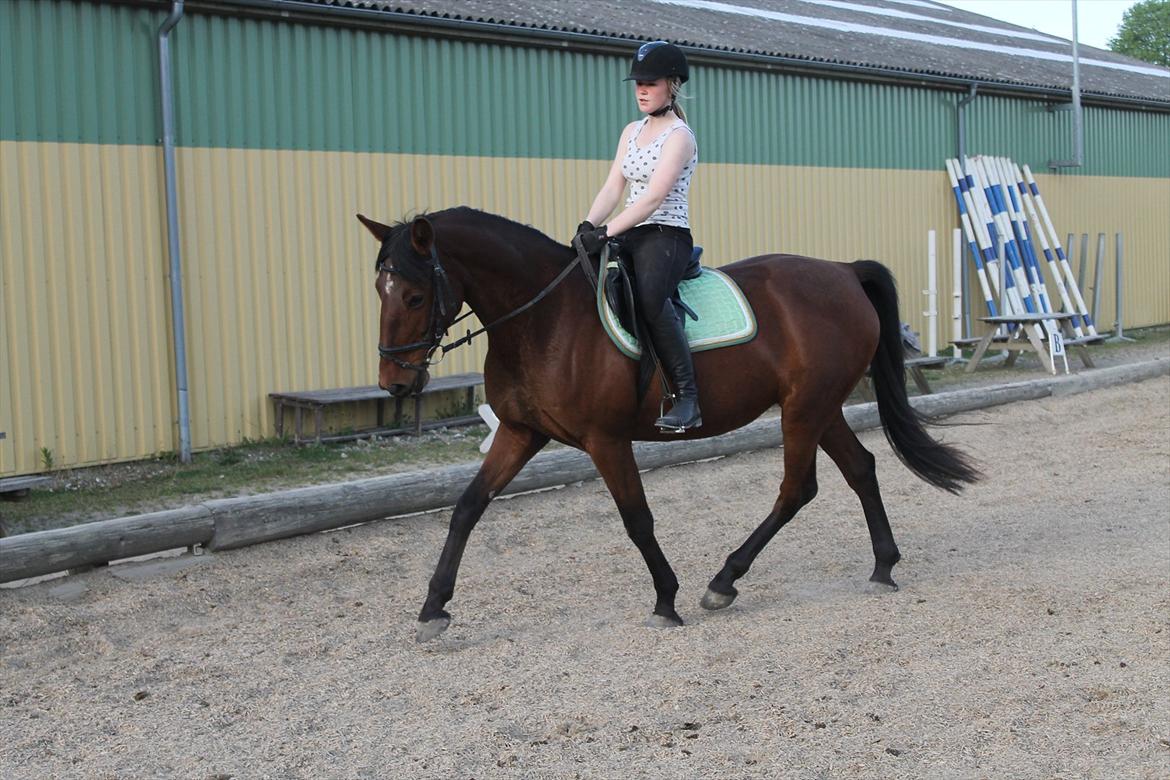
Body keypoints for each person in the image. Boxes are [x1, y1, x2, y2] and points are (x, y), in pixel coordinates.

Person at [573, 40, 701, 432]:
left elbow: (653, 198)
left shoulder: (679, 136)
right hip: (628, 231)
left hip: (666, 234)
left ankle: (687, 397)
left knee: (649, 298)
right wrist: (588, 225)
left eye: (650, 83)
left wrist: (605, 232)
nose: (641, 90)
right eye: (638, 84)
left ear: (672, 85)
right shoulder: (631, 131)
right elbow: (614, 187)